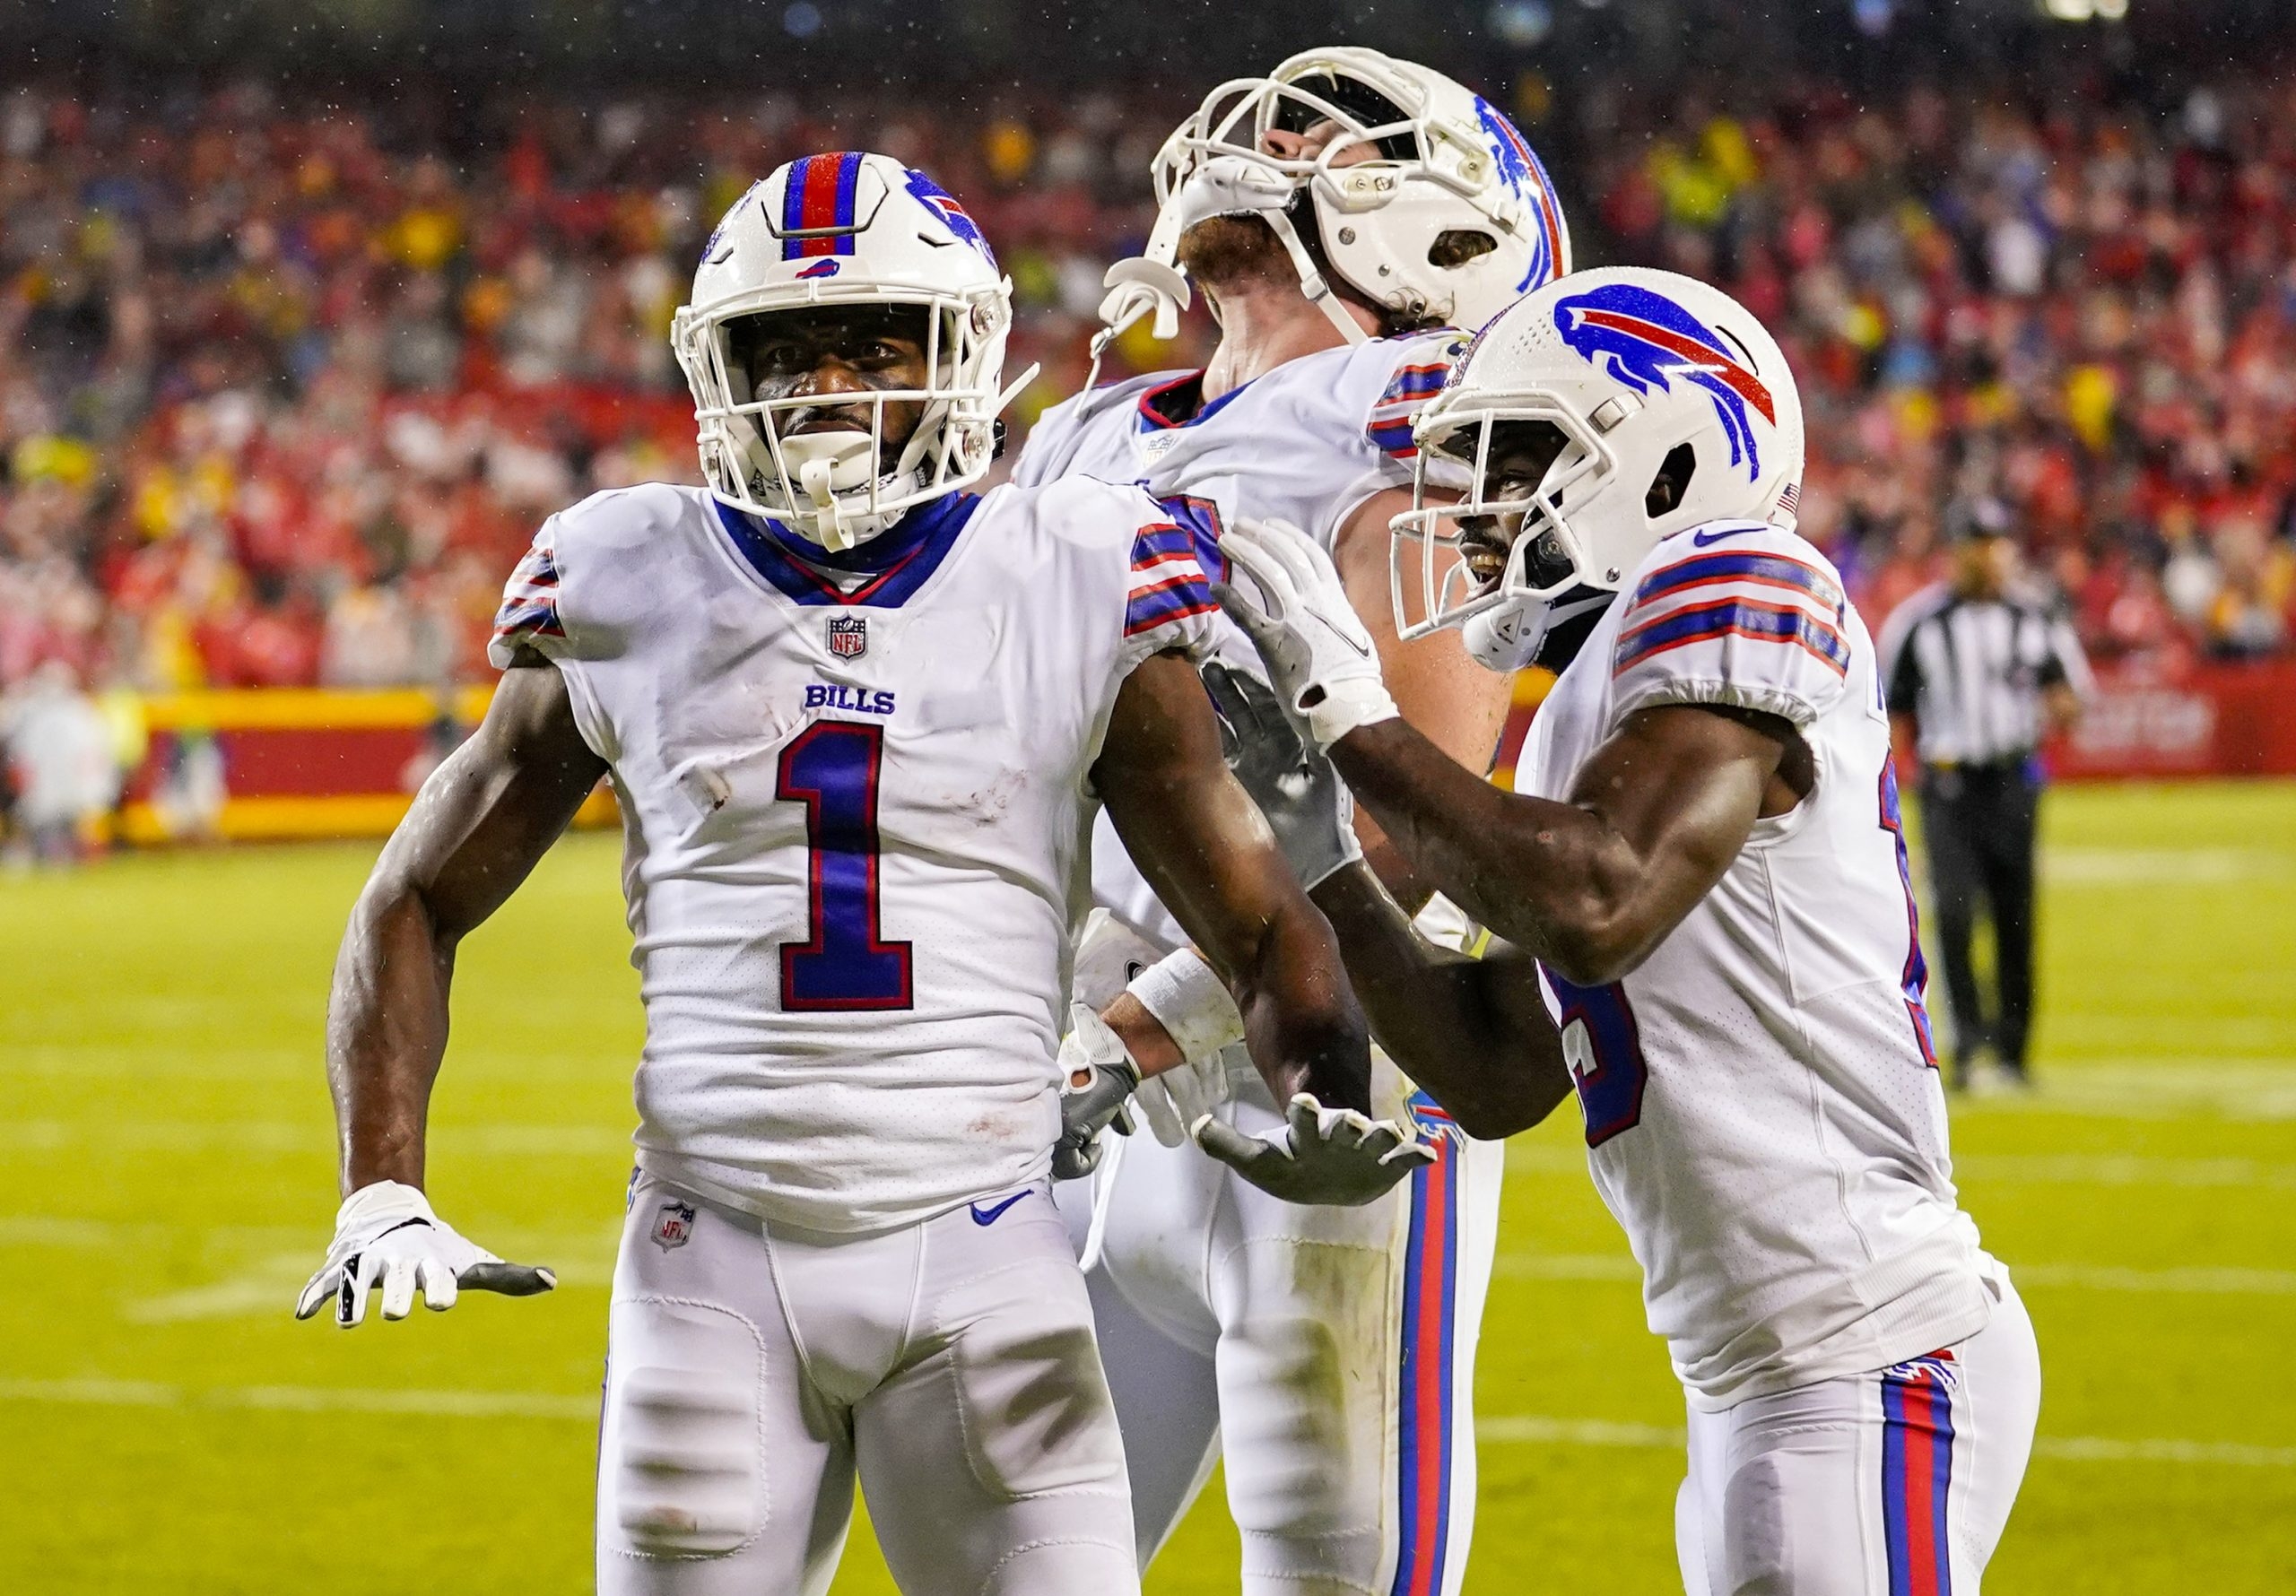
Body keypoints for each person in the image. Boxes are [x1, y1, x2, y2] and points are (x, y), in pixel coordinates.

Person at [291, 152, 1396, 1596]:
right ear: (717, 369)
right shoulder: (626, 572)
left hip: (990, 1250)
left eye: (874, 342)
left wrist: (1320, 1084)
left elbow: (1260, 925)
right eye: (784, 349)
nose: (823, 388)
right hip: (709, 1257)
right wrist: (383, 1189)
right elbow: (415, 898)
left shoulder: (1075, 565)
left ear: (964, 356)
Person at [1197, 267, 2039, 1595]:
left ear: (1668, 451)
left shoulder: (1741, 575)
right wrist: (1320, 860)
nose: (1477, 504)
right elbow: (1493, 1071)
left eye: (1522, 452)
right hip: (1761, 1376)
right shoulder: (1594, 700)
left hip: (1868, 1353)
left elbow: (1595, 903)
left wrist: (1353, 712)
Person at [1015, 46, 1570, 1596]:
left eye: (1337, 138)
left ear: (1451, 237)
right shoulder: (1084, 433)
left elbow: (1408, 824)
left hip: (1333, 1095)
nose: (1272, 141)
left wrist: (1130, 1029)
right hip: (1097, 1112)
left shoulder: (1419, 420)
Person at [1878, 498, 2090, 1090]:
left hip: (2014, 782)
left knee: (2016, 915)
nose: (1989, 556)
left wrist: (2051, 703)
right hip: (1948, 783)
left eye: (1996, 543)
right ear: (1955, 552)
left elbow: (2070, 697)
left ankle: (2016, 1052)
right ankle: (1968, 1046)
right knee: (1954, 913)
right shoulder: (1919, 622)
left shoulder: (2035, 617)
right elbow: (1892, 712)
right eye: (1977, 543)